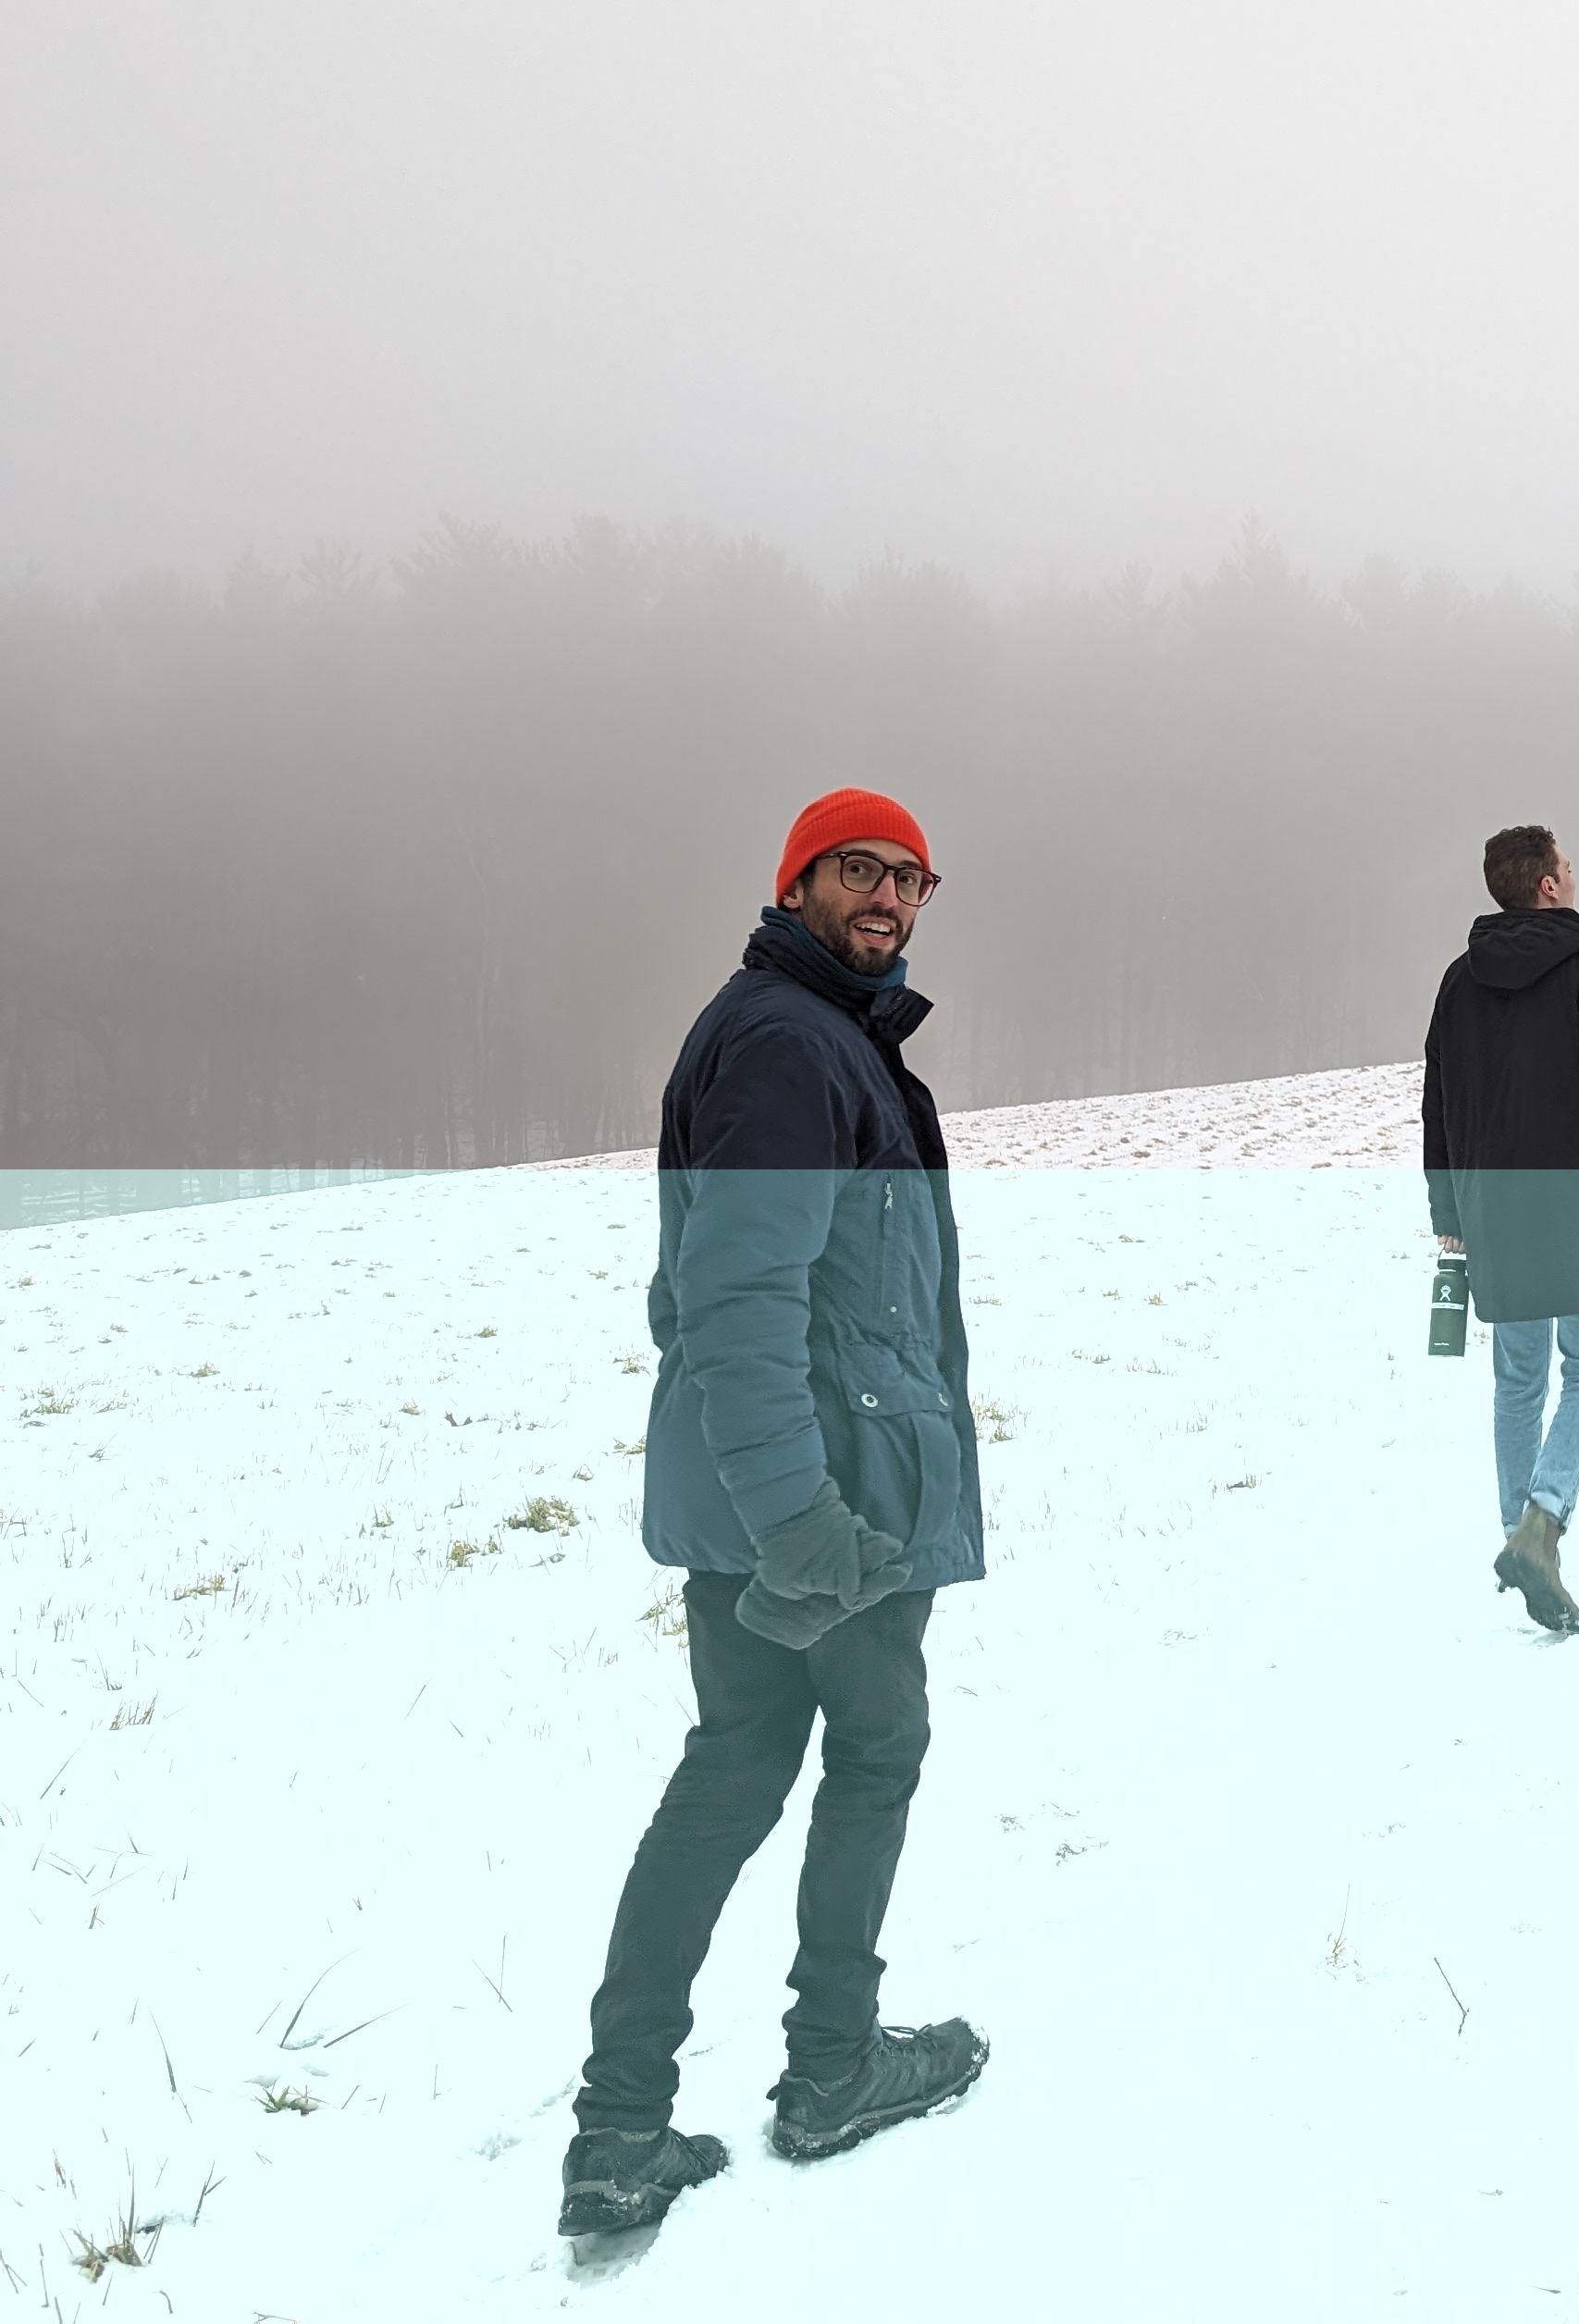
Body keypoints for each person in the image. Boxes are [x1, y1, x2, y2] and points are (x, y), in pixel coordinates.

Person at [562, 788, 990, 2244]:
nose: (885, 897)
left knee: (734, 1770)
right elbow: (737, 1300)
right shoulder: (790, 1046)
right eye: (856, 871)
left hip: (792, 1481)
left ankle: (621, 2131)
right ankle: (830, 2070)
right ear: (797, 882)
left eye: (908, 878)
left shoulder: (811, 1038)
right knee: (869, 1754)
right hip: (824, 1501)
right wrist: (802, 1514)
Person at [1424, 823, 1579, 1638]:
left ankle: (1520, 1534)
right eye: (1568, 865)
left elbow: (1437, 1105)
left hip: (1494, 1205)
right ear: (1548, 886)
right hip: (1578, 1197)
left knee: (1519, 1380)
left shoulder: (1457, 981)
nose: (1574, 874)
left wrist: (1450, 1217)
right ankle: (1540, 1525)